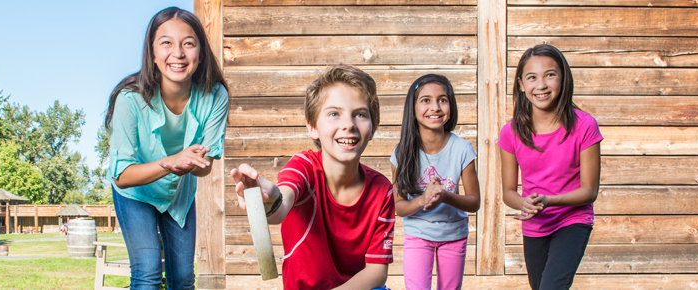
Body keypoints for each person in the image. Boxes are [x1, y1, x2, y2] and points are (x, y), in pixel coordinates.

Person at [230, 64, 394, 290]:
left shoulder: (381, 190)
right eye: (334, 114)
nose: (349, 125)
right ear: (312, 126)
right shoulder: (303, 167)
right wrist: (264, 199)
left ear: (373, 127)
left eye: (360, 114)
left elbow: (377, 272)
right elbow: (281, 202)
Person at [104, 6, 229, 290]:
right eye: (166, 43)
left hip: (178, 196)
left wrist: (198, 165)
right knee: (147, 272)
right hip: (135, 192)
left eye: (188, 43)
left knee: (183, 279)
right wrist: (168, 163)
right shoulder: (129, 100)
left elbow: (204, 167)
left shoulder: (215, 95)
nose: (178, 53)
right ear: (152, 54)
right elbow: (121, 175)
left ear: (200, 52)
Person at [498, 44, 602, 290]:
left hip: (572, 219)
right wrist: (523, 203)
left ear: (563, 78)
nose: (541, 85)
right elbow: (509, 192)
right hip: (535, 226)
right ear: (522, 85)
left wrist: (548, 200)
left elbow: (589, 191)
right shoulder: (511, 132)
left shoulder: (584, 125)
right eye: (532, 77)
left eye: (550, 75)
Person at [391, 74, 481, 290]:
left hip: (454, 235)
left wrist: (445, 196)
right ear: (412, 109)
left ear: (451, 106)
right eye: (425, 100)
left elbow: (474, 202)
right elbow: (400, 206)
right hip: (418, 235)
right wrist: (424, 198)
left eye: (442, 99)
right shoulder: (402, 153)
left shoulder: (462, 149)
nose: (435, 107)